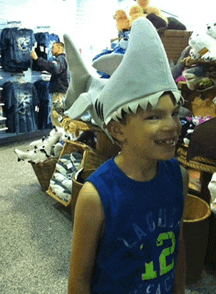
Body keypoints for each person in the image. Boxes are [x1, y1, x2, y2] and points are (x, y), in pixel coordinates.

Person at [64, 17, 189, 294]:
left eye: (174, 113)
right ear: (117, 130)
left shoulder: (177, 176)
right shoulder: (96, 196)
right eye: (154, 116)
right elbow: (79, 280)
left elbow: (178, 245)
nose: (172, 125)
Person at [30, 42, 70, 127]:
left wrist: (37, 59)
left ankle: (60, 137)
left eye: (53, 47)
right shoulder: (66, 59)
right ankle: (63, 136)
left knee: (57, 116)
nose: (51, 49)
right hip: (63, 92)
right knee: (62, 116)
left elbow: (54, 68)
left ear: (59, 48)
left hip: (59, 93)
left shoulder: (60, 59)